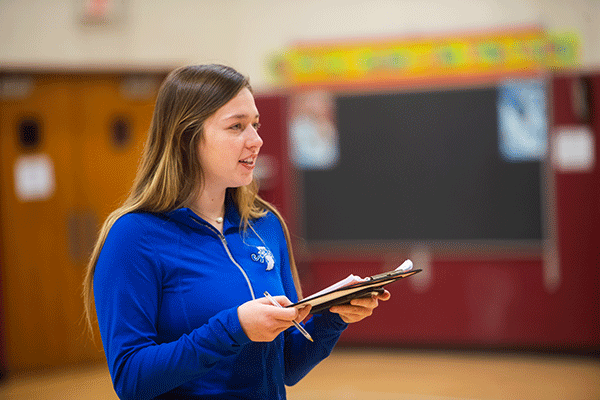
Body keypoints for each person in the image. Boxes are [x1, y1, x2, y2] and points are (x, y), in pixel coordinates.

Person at [82, 64, 390, 400]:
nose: (256, 140)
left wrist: (333, 315)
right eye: (237, 126)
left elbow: (287, 365)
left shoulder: (265, 224)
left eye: (255, 125)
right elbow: (131, 380)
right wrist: (233, 328)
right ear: (188, 137)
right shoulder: (133, 237)